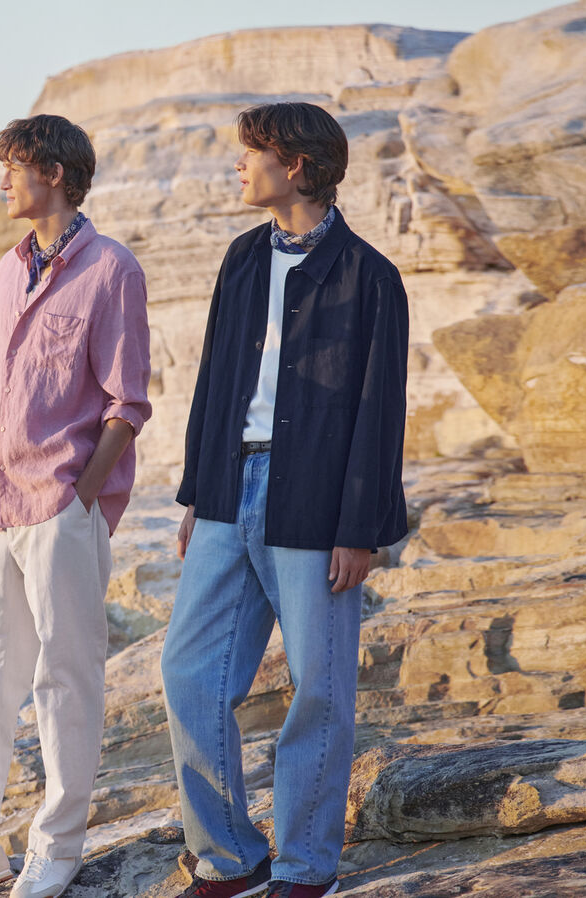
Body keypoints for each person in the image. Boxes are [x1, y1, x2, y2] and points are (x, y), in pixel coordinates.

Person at [0, 114, 152, 898]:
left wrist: (82, 497)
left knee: (65, 677)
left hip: (59, 507)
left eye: (10, 167)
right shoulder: (9, 272)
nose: (0, 181)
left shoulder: (112, 269)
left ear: (51, 171)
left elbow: (126, 402)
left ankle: (58, 843)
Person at [160, 102, 409, 898]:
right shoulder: (239, 259)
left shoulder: (371, 276)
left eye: (250, 153)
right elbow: (213, 384)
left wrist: (360, 526)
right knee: (189, 674)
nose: (238, 166)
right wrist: (197, 493)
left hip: (315, 499)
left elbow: (380, 410)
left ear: (294, 165)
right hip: (229, 494)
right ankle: (230, 855)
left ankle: (306, 868)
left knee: (320, 689)